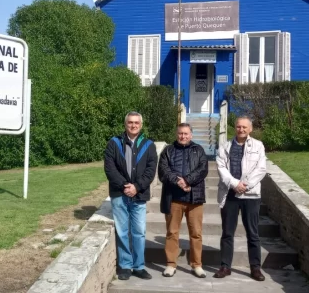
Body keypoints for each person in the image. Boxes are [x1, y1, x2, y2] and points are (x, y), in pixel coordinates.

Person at [104, 111, 158, 280]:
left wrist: (136, 187)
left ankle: (139, 266)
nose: (133, 125)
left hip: (139, 195)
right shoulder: (114, 143)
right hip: (119, 194)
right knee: (122, 231)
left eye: (136, 123)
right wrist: (124, 186)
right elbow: (109, 168)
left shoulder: (149, 145)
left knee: (139, 232)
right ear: (125, 124)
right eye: (130, 122)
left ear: (141, 125)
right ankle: (125, 266)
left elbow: (150, 171)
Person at [213, 117, 267, 281]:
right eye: (238, 127)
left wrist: (246, 185)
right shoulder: (225, 146)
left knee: (253, 233)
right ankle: (225, 266)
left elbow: (261, 168)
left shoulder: (258, 146)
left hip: (250, 195)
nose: (241, 129)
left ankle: (255, 268)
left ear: (250, 129)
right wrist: (235, 184)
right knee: (227, 232)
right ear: (234, 128)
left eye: (244, 127)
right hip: (230, 194)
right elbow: (221, 167)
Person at [157, 123, 209, 278]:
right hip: (174, 198)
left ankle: (197, 264)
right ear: (176, 134)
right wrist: (178, 182)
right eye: (180, 133)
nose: (183, 136)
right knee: (172, 232)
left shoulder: (198, 150)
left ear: (191, 135)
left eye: (186, 134)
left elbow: (203, 169)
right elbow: (163, 171)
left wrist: (187, 181)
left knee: (196, 233)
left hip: (195, 198)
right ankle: (171, 264)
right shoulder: (168, 151)